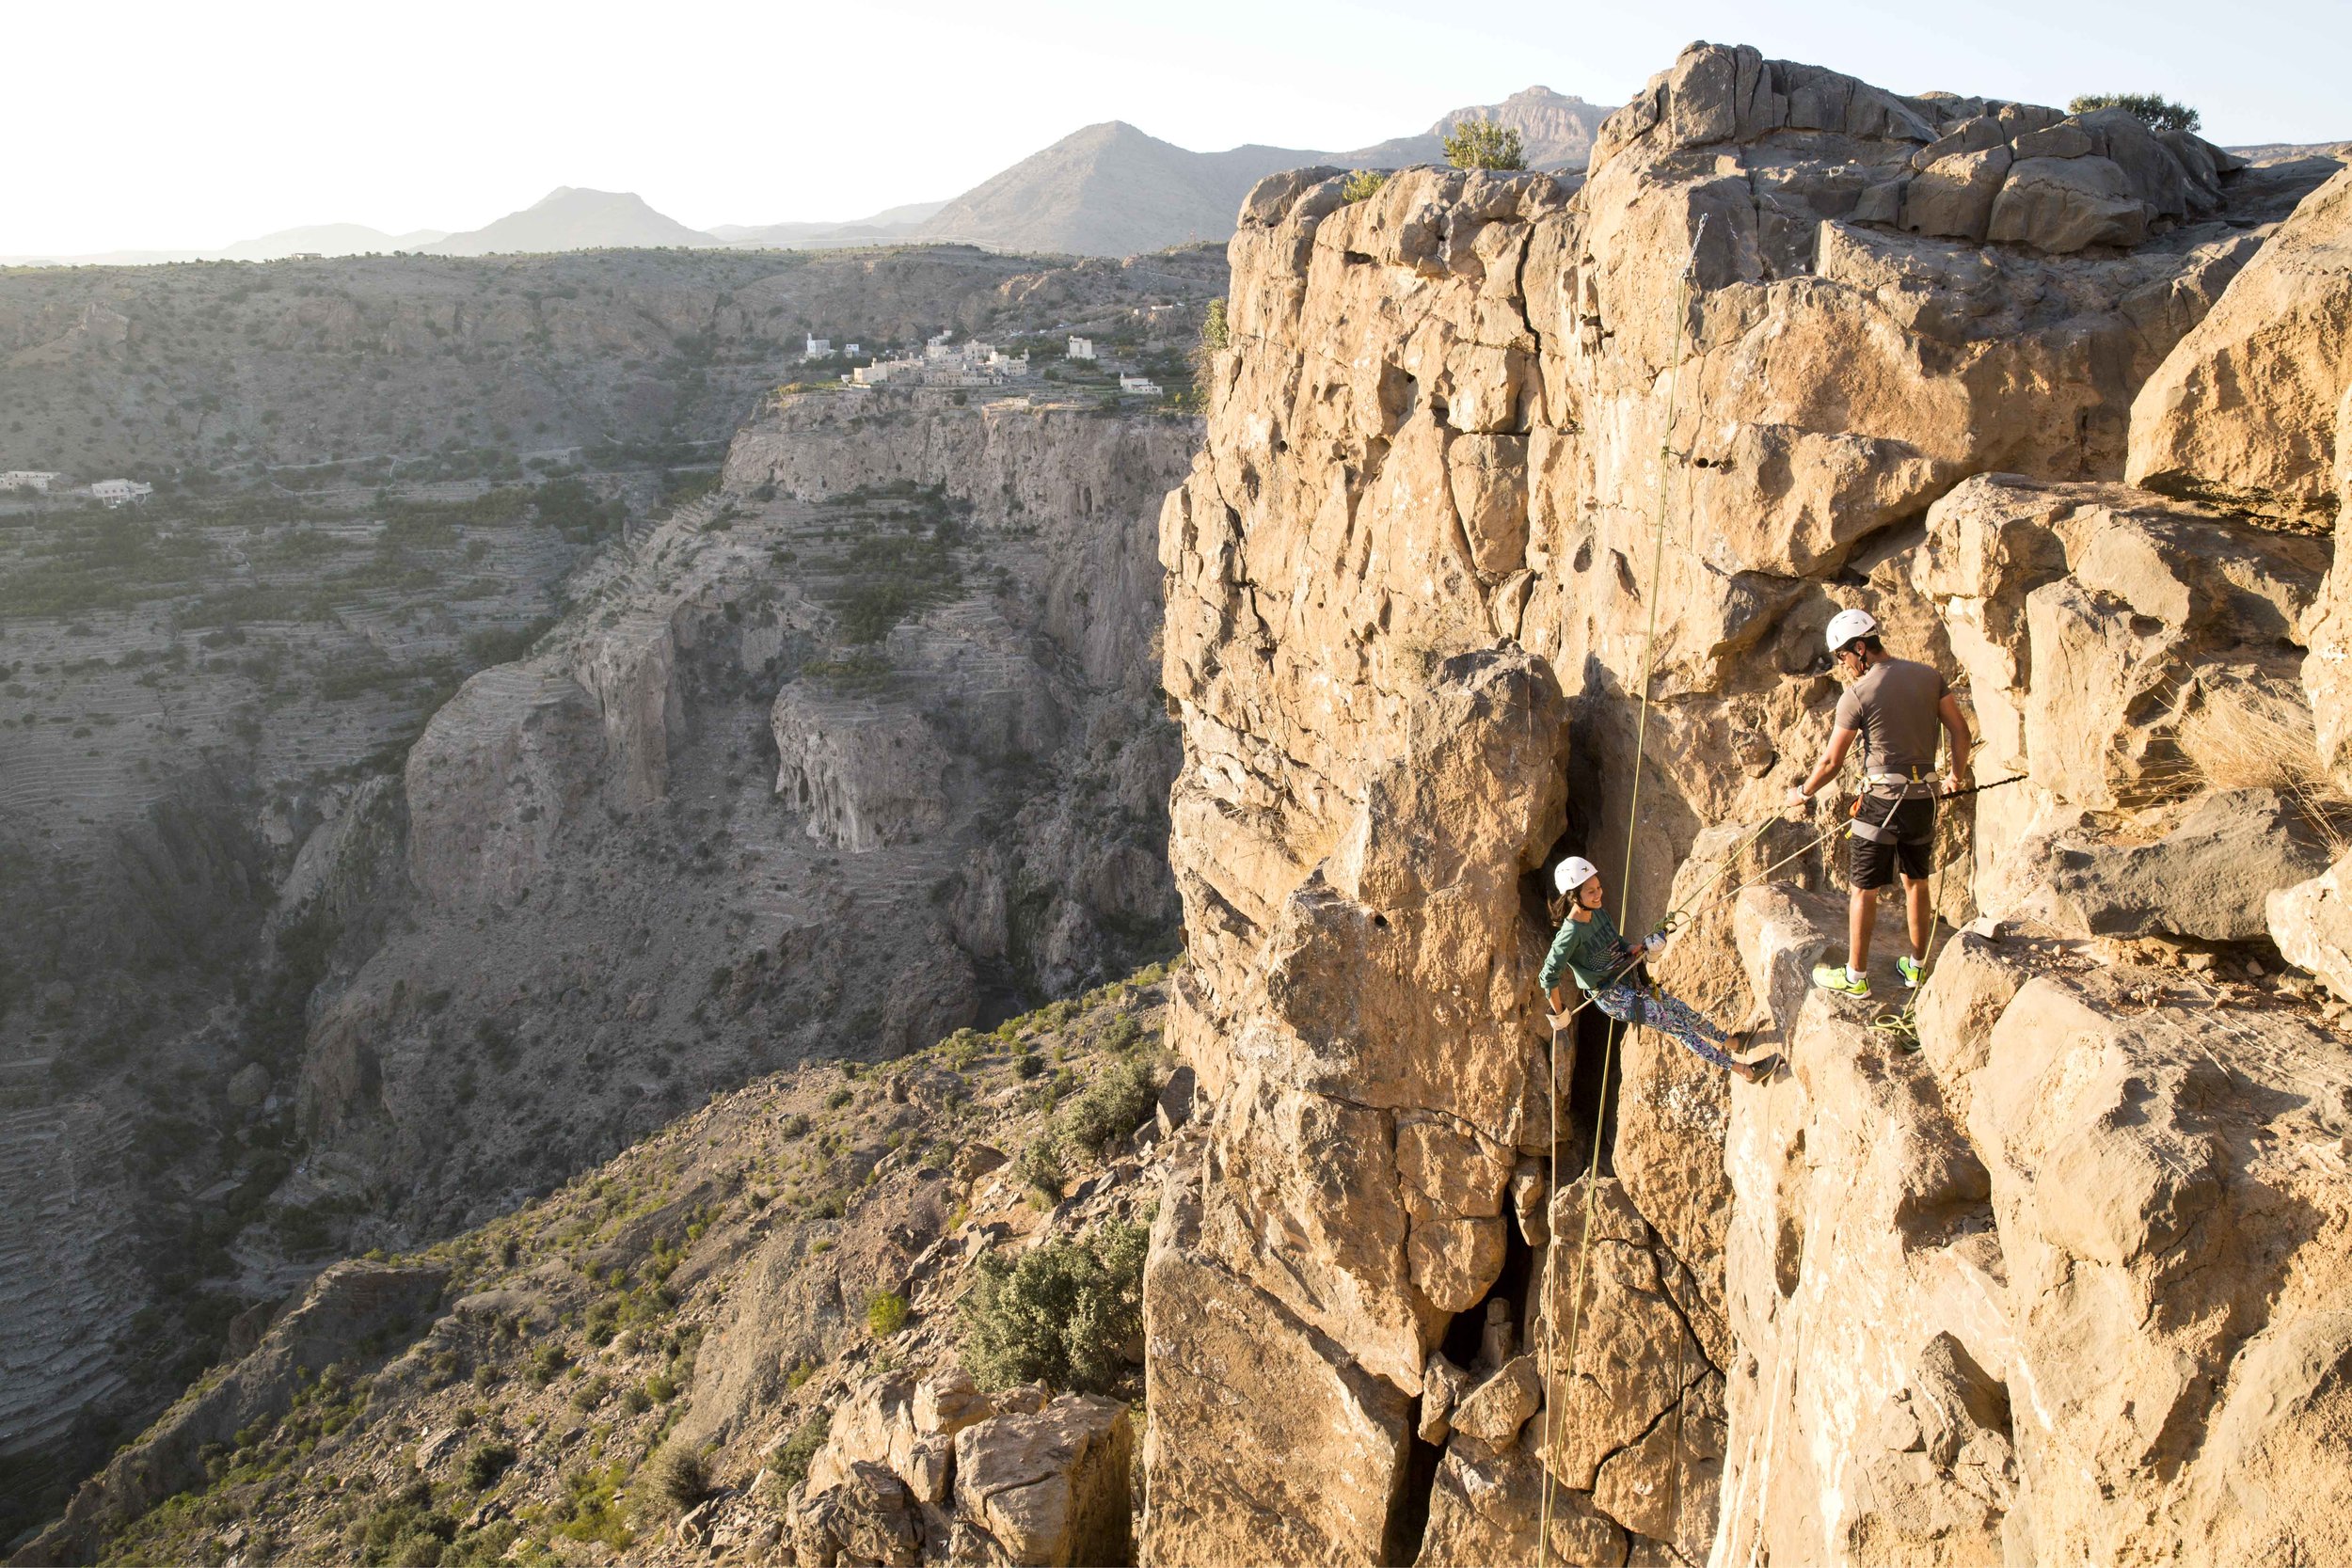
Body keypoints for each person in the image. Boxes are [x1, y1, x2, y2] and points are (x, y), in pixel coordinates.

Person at [1785, 608, 1973, 997]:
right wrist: (1956, 776)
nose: (1843, 665)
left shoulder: (1858, 694)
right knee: (1916, 883)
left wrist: (1802, 793)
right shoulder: (1929, 677)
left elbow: (1832, 762)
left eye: (1843, 656)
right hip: (1925, 799)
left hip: (1882, 802)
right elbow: (1960, 730)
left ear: (1860, 647)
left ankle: (1856, 977)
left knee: (1863, 889)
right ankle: (1917, 968)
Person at [1539, 856, 1780, 1083]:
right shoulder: (1569, 934)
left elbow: (1618, 943)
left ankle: (1734, 1043)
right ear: (1574, 896)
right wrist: (1559, 1013)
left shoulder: (1597, 912)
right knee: (1680, 1027)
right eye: (1591, 891)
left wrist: (1641, 947)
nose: (1598, 894)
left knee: (1684, 1013)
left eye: (1598, 887)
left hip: (1629, 978)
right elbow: (1548, 975)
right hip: (1613, 996)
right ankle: (1746, 1072)